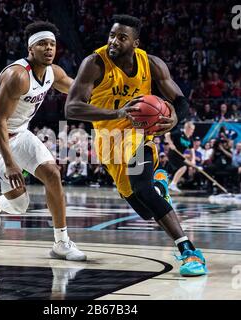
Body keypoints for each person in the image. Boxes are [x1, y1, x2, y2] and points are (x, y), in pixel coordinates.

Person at [65, 14, 207, 276]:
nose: (114, 41)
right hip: (109, 141)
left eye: (122, 37)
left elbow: (180, 100)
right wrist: (117, 115)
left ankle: (189, 251)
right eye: (112, 35)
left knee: (143, 188)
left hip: (140, 135)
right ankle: (158, 181)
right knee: (144, 207)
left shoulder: (151, 64)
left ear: (135, 42)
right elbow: (72, 107)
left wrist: (175, 117)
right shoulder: (94, 64)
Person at [0, 21, 86, 261]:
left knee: (53, 174)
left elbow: (77, 90)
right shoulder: (17, 76)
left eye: (52, 44)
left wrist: (112, 97)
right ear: (30, 49)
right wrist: (11, 163)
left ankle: (61, 243)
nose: (49, 48)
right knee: (19, 205)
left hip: (20, 133)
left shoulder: (53, 72)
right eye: (42, 44)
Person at [165, 121, 195, 193]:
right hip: (173, 154)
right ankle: (173, 184)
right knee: (183, 167)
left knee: (189, 166)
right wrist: (171, 144)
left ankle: (174, 183)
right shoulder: (179, 133)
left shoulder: (190, 139)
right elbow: (167, 134)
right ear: (187, 128)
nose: (192, 131)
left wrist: (193, 159)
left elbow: (192, 149)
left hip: (180, 155)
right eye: (192, 129)